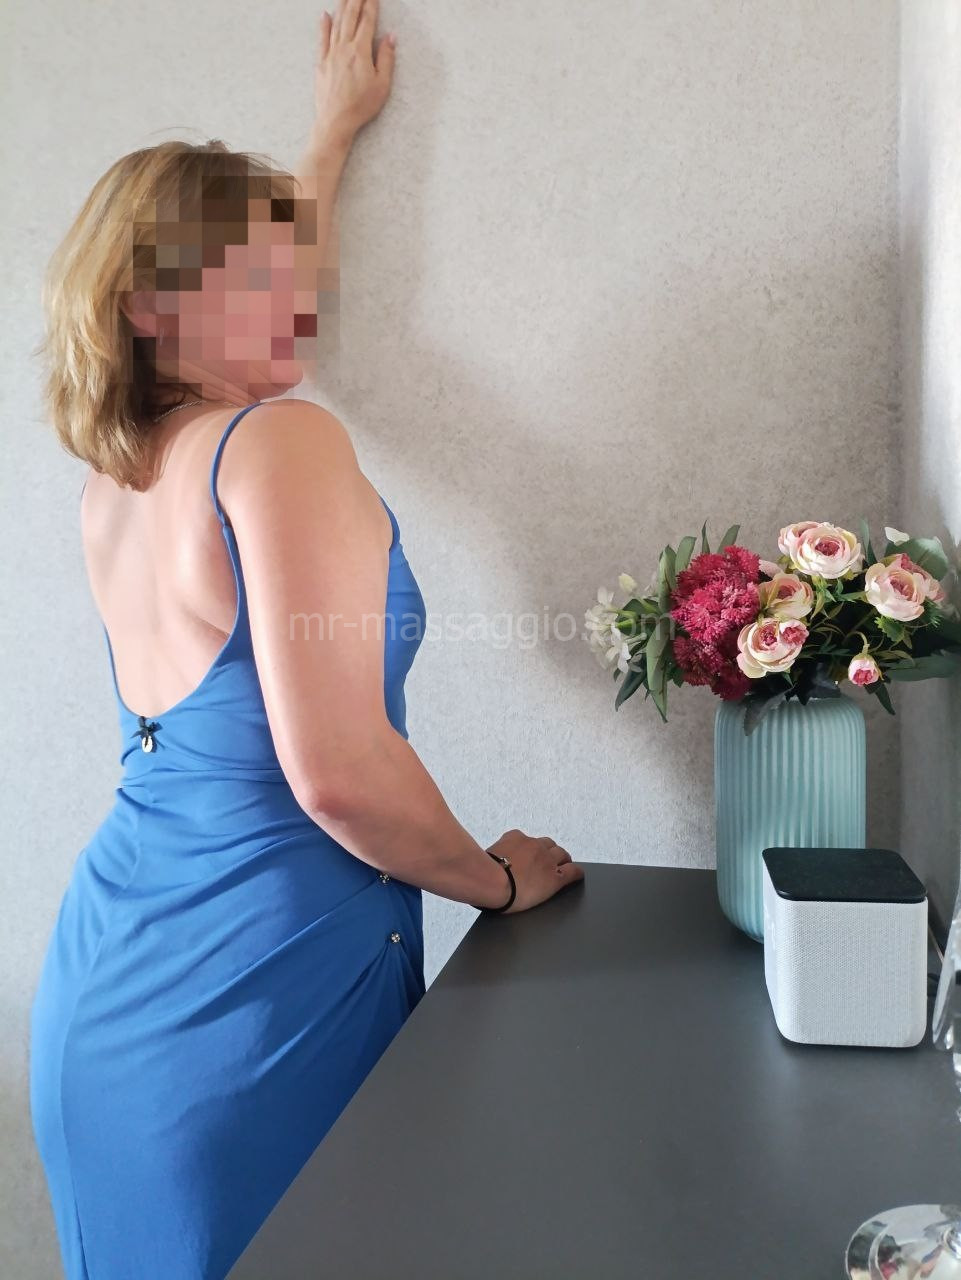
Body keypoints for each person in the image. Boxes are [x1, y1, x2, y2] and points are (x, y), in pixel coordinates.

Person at [28, 2, 585, 1276]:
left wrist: (328, 140)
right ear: (149, 304)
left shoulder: (122, 478)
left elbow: (249, 332)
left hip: (113, 994)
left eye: (298, 265)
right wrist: (494, 883)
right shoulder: (277, 442)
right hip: (254, 994)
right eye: (263, 276)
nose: (305, 296)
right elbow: (335, 773)